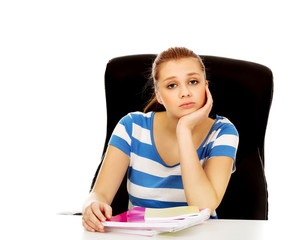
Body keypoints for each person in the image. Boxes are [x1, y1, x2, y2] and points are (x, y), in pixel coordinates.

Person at [82, 47, 239, 232]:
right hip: (140, 236)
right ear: (158, 95)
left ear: (206, 87)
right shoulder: (132, 126)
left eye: (193, 81)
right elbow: (99, 194)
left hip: (198, 236)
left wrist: (184, 131)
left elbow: (203, 207)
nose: (185, 92)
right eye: (172, 85)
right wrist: (91, 205)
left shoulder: (223, 132)